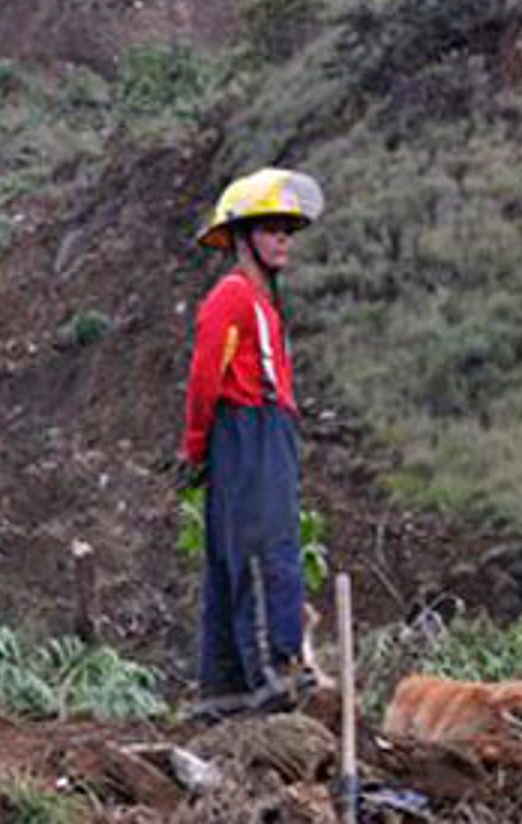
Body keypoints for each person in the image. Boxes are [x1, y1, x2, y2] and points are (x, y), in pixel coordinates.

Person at [175, 166, 324, 720]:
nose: (282, 237)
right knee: (263, 555)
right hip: (246, 436)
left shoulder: (264, 304)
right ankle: (272, 681)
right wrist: (196, 448)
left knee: (242, 556)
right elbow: (203, 378)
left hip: (266, 435)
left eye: (287, 228)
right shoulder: (232, 297)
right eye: (269, 228)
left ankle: (227, 694)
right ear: (241, 237)